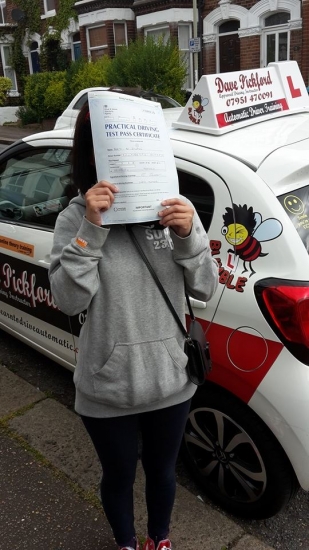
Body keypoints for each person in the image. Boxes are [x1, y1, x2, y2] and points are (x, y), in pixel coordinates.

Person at [48, 91, 219, 550]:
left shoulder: (173, 212)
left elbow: (205, 289)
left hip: (171, 381)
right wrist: (92, 227)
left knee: (164, 473)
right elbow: (66, 298)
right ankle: (125, 543)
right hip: (108, 387)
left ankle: (158, 540)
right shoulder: (74, 218)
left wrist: (187, 236)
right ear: (93, 151)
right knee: (118, 477)